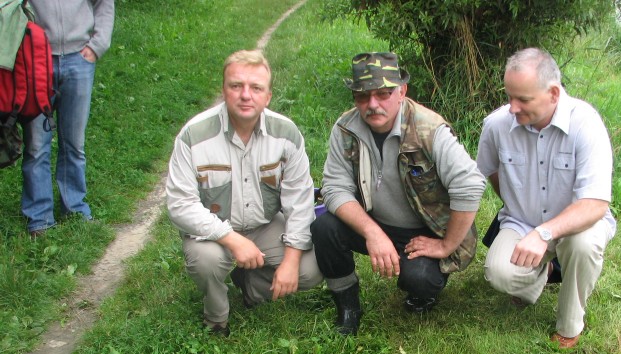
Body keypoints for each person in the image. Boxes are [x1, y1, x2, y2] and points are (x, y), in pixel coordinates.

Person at [311, 52, 485, 335]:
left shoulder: (429, 129)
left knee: (420, 279)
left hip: (424, 229)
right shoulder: (345, 128)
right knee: (324, 227)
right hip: (375, 221)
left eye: (383, 94)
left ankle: (422, 293)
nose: (372, 105)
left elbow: (470, 185)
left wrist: (446, 246)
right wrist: (372, 233)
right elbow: (334, 188)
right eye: (362, 96)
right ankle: (347, 304)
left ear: (402, 91)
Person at [166, 49, 322, 336]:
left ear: (268, 96)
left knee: (310, 269)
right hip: (213, 235)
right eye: (236, 86)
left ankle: (251, 286)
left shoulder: (287, 134)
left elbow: (300, 202)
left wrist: (290, 261)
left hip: (264, 226)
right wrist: (232, 240)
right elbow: (179, 205)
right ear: (224, 91)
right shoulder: (193, 135)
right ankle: (216, 320)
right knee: (207, 261)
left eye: (256, 88)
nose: (245, 95)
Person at [476, 48, 615, 349]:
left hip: (578, 225)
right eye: (509, 96)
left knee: (582, 245)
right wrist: (518, 208)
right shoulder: (496, 125)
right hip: (522, 221)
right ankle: (547, 271)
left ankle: (569, 325)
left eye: (523, 99)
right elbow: (490, 172)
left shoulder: (586, 124)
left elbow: (595, 203)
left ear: (553, 93)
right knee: (497, 273)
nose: (512, 107)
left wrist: (545, 232)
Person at [21, 0, 115, 237]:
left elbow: (104, 3)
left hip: (79, 59)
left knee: (74, 143)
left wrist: (98, 45)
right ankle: (39, 218)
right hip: (36, 58)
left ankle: (74, 210)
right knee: (35, 145)